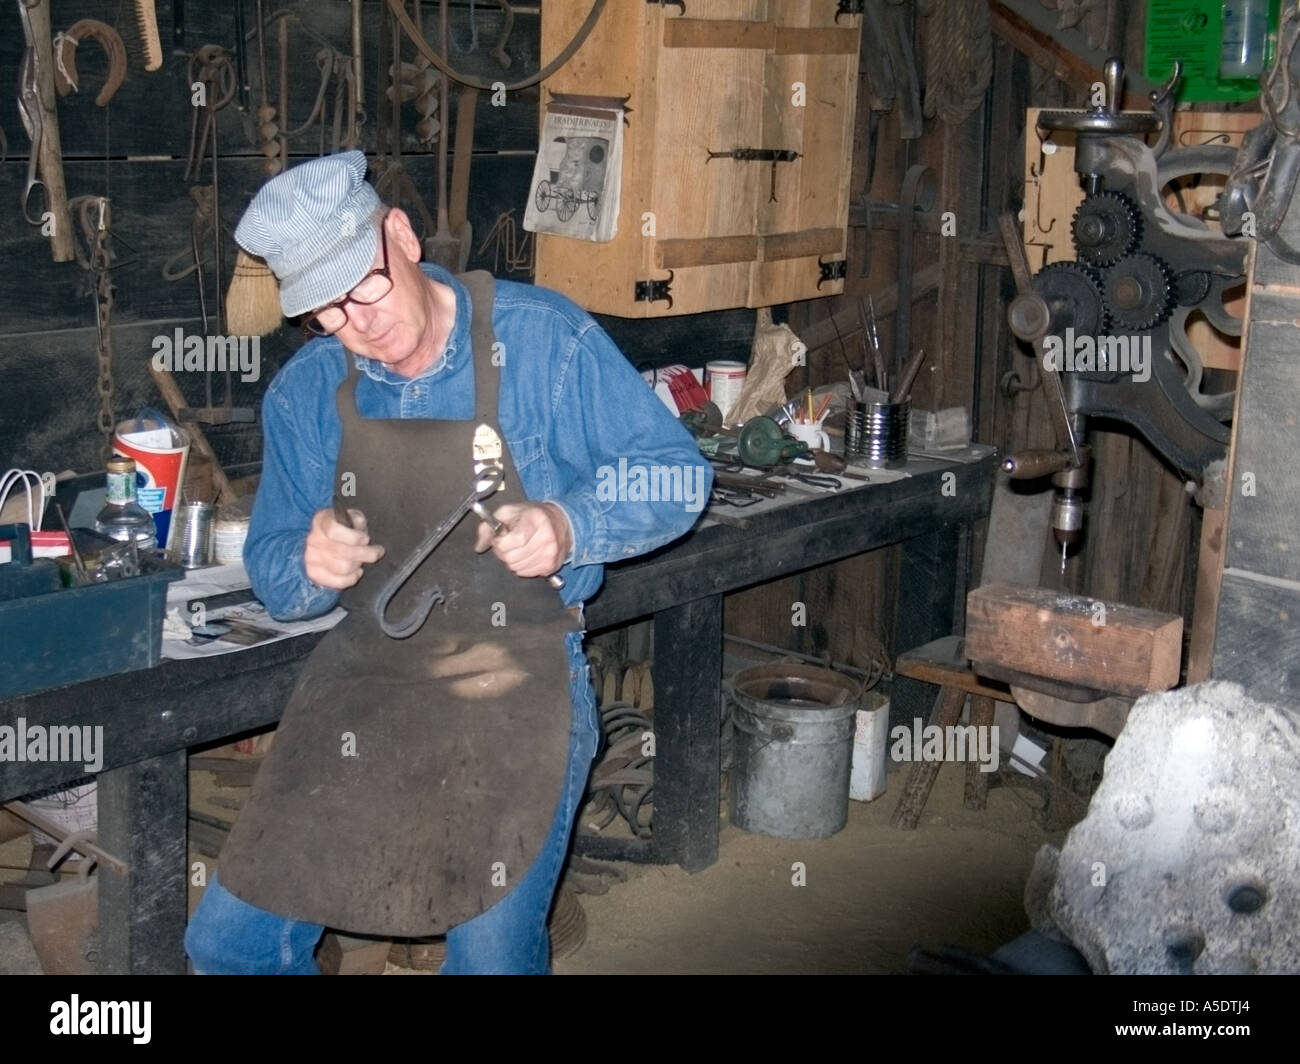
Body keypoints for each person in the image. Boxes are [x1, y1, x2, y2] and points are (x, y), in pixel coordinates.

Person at [183, 150, 711, 974]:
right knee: (224, 946)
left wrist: (572, 525)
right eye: (324, 311)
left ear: (399, 233)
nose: (358, 324)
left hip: (521, 682)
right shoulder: (306, 393)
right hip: (366, 683)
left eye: (364, 286)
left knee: (491, 960)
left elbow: (678, 474)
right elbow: (278, 577)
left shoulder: (545, 340)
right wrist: (306, 556)